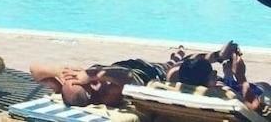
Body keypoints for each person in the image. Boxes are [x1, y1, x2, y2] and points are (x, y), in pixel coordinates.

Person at [30, 42, 242, 108]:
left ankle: (181, 53)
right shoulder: (109, 92)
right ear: (90, 93)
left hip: (132, 64)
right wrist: (91, 74)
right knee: (176, 65)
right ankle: (213, 55)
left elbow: (34, 68)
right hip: (149, 72)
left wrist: (62, 73)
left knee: (177, 61)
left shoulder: (81, 84)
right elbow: (125, 75)